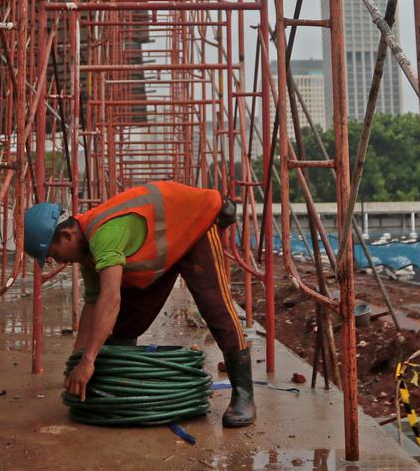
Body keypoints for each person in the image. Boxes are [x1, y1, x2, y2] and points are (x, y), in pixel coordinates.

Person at [23, 181, 254, 427]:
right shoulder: (86, 254)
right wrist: (76, 361)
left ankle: (244, 396)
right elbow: (93, 307)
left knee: (214, 306)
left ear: (67, 235)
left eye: (54, 254)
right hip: (165, 246)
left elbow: (111, 298)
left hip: (194, 224)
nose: (58, 261)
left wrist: (88, 361)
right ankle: (122, 387)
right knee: (126, 322)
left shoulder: (103, 234)